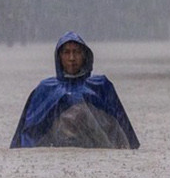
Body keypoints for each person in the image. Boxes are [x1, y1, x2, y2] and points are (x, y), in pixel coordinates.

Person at [10, 32, 139, 150]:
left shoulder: (101, 85)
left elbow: (122, 130)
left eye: (76, 52)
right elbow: (28, 135)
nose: (72, 58)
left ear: (84, 55)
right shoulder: (45, 89)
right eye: (67, 53)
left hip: (97, 146)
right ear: (59, 57)